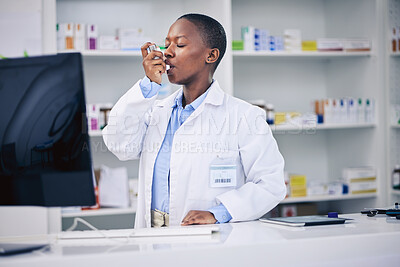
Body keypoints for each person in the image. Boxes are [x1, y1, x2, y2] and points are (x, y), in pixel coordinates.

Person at [103, 13, 286, 228]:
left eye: (179, 45)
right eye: (166, 44)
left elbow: (270, 184)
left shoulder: (244, 116)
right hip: (152, 234)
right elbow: (119, 145)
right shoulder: (156, 112)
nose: (167, 53)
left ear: (211, 55)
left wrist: (219, 212)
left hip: (208, 238)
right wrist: (148, 85)